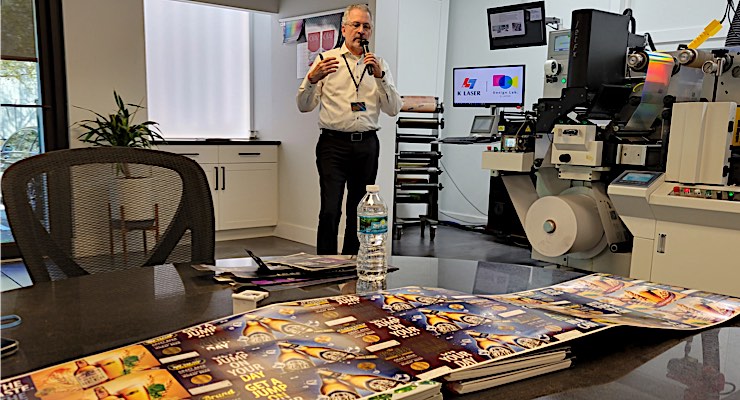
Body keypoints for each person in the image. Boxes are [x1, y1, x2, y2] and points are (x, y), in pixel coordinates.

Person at [296, 4, 402, 255]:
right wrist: (311, 80)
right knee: (330, 209)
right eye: (356, 25)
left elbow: (393, 109)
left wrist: (381, 77)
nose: (361, 31)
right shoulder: (326, 61)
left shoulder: (379, 65)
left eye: (366, 26)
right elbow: (303, 106)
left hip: (367, 144)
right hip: (333, 145)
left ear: (371, 31)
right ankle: (325, 265)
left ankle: (352, 262)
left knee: (360, 208)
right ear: (344, 29)